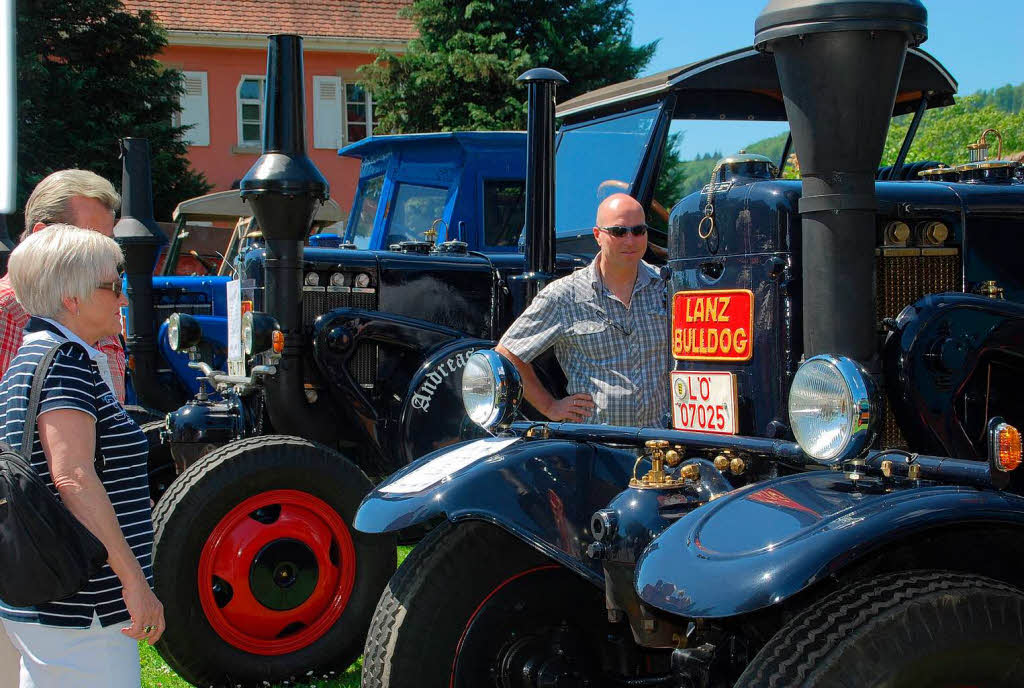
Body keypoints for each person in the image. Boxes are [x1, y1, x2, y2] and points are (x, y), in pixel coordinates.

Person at [0, 226, 163, 688]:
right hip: (84, 604)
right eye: (114, 286)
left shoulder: (30, 356)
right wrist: (133, 582)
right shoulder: (67, 360)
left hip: (45, 596)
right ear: (71, 298)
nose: (123, 299)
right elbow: (73, 477)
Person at [496, 193, 670, 426]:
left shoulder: (667, 289)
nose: (630, 240)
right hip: (596, 446)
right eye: (619, 232)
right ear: (598, 235)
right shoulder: (565, 295)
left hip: (660, 444)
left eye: (639, 231)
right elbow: (508, 354)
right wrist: (550, 406)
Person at [0, 170, 124, 397]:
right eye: (92, 239)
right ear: (43, 237)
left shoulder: (102, 311)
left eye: (108, 242)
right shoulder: (5, 311)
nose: (107, 254)